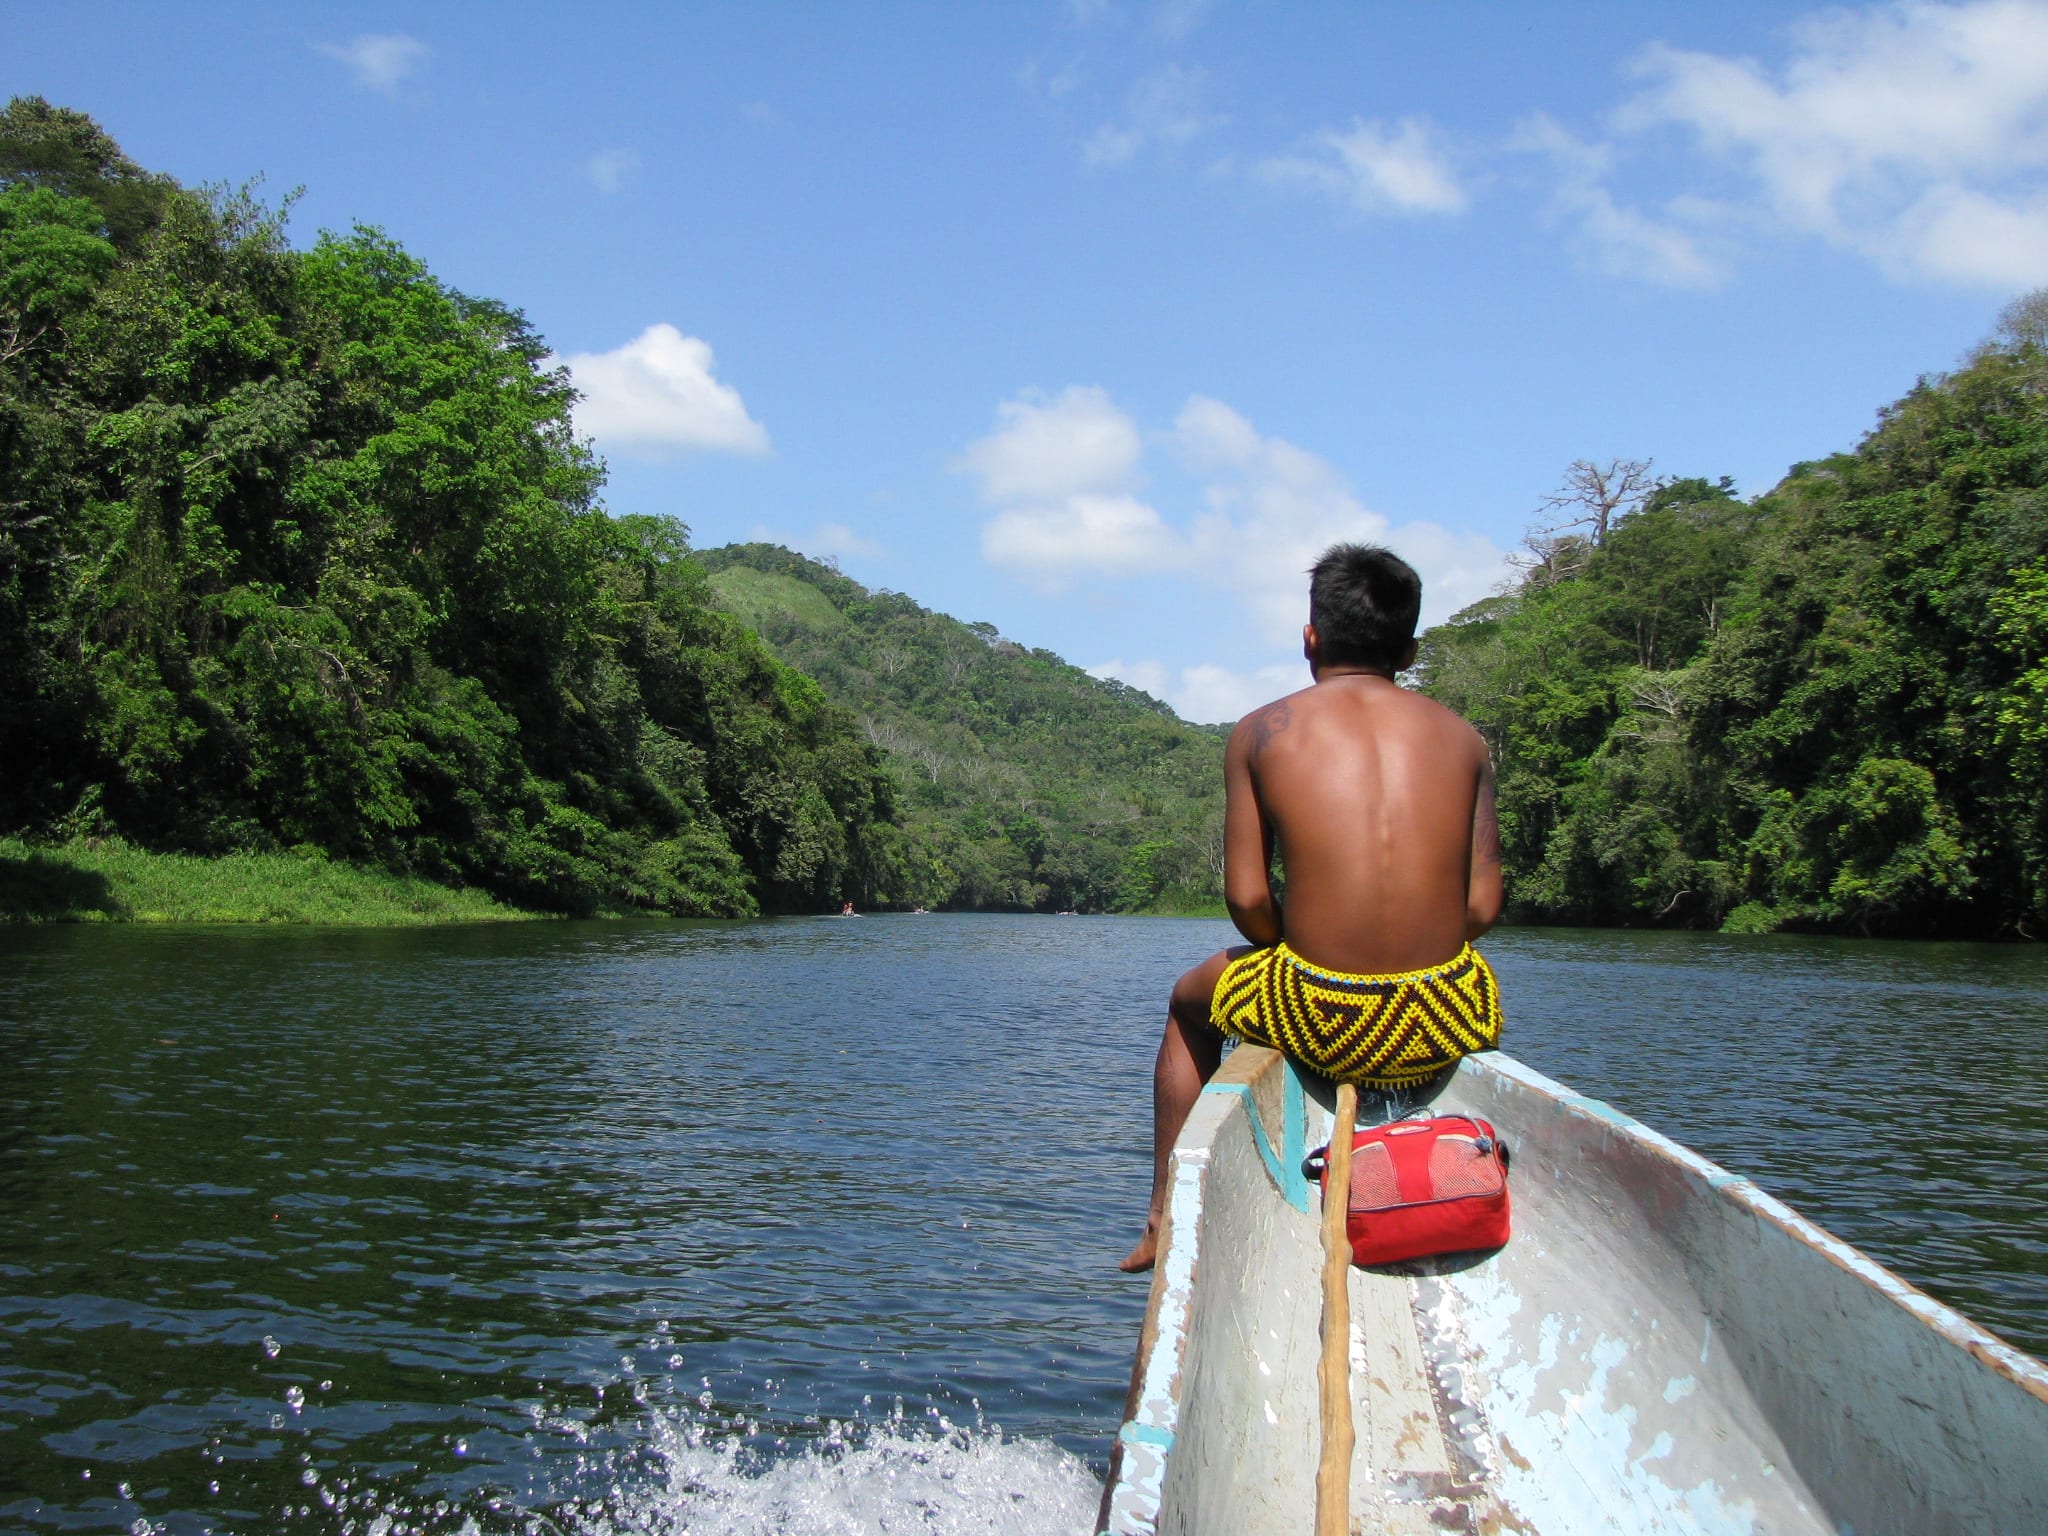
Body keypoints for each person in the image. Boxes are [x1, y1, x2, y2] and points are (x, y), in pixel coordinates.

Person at [1118, 543, 1504, 1273]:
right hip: (1446, 1015)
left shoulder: (1262, 731)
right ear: (1411, 648)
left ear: (1310, 638)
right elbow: (1482, 905)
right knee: (1471, 974)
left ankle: (1163, 1217)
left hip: (1319, 1013)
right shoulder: (1465, 739)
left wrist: (1300, 946)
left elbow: (1249, 901)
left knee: (1185, 1003)